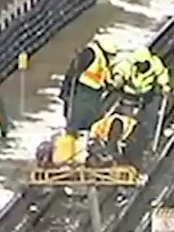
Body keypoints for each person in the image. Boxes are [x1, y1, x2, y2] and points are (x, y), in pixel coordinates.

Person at [54, 34, 125, 164]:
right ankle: (66, 159)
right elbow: (72, 73)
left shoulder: (103, 61)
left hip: (93, 95)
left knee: (87, 126)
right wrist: (66, 92)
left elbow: (105, 80)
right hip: (81, 93)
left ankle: (81, 157)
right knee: (74, 127)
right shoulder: (91, 54)